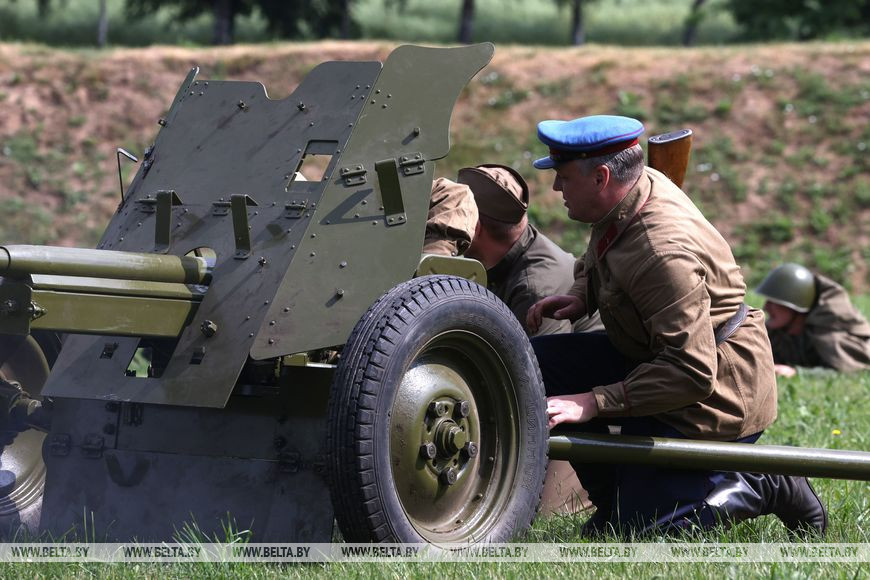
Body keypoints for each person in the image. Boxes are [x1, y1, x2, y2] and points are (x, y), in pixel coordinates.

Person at [525, 114, 826, 536]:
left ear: (601, 177)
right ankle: (614, 503)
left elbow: (692, 371)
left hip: (712, 395)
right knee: (536, 364)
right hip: (653, 357)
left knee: (644, 533)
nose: (557, 187)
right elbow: (605, 247)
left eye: (564, 176)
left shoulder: (661, 253)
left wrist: (594, 402)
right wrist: (582, 295)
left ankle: (763, 482)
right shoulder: (630, 190)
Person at [756, 263, 870, 377]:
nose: (766, 307)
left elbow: (844, 370)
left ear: (795, 306)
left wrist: (796, 372)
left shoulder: (831, 338)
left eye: (774, 302)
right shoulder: (775, 333)